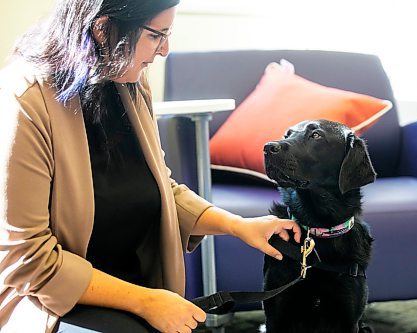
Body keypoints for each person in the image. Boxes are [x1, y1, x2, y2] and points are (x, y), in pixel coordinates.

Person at [0, 1, 301, 332]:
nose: (165, 50)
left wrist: (238, 226)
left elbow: (161, 188)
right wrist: (147, 301)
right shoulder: (25, 100)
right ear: (103, 30)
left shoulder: (128, 81)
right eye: (157, 35)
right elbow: (28, 259)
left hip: (135, 286)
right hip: (51, 302)